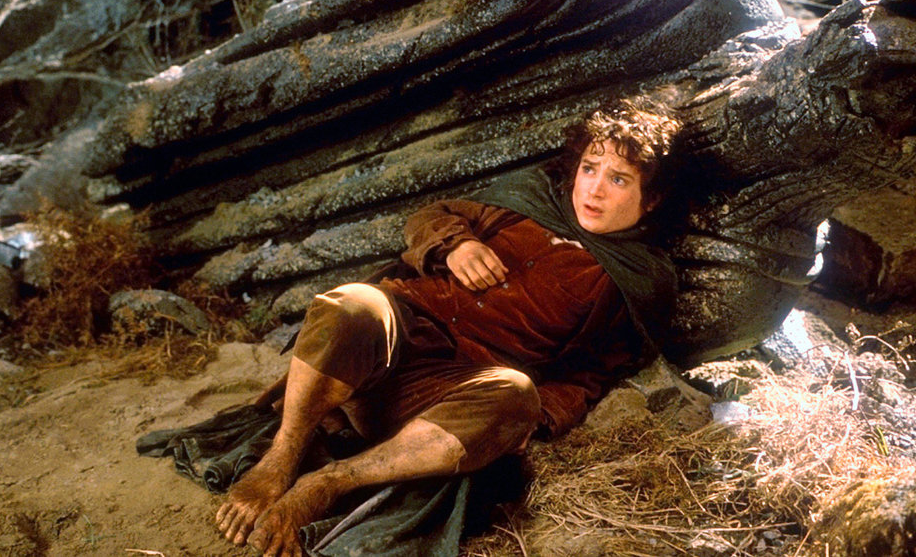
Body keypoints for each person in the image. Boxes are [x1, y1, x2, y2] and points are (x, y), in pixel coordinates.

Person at [214, 98, 680, 557]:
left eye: (618, 179)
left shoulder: (636, 280)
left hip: (450, 397)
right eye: (589, 168)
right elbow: (429, 218)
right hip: (391, 340)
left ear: (653, 199)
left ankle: (330, 482)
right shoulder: (528, 198)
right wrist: (454, 245)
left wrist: (535, 417)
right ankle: (280, 459)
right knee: (352, 303)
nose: (594, 190)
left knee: (518, 394)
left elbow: (592, 375)